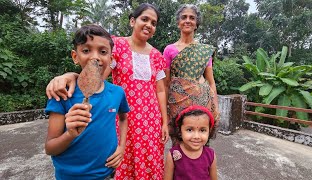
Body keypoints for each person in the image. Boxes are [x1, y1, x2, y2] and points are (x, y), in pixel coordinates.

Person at [45, 3, 169, 179]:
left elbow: (160, 90)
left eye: (154, 22)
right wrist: (71, 76)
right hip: (119, 113)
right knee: (121, 159)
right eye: (145, 19)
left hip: (150, 119)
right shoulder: (117, 45)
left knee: (149, 159)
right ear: (133, 21)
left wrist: (164, 121)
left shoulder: (157, 55)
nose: (149, 25)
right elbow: (96, 72)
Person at [44, 24, 130, 179]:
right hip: (71, 176)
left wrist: (122, 147)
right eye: (86, 50)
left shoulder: (117, 93)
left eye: (102, 52)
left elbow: (123, 118)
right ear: (75, 56)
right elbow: (50, 148)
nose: (95, 56)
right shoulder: (63, 93)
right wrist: (70, 134)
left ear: (110, 59)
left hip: (106, 173)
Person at [163, 4, 220, 134]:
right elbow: (166, 84)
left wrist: (215, 107)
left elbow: (211, 82)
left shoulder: (204, 51)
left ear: (196, 24)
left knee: (199, 141)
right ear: (178, 23)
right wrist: (165, 112)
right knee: (178, 141)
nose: (187, 20)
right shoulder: (169, 50)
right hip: (177, 104)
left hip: (202, 103)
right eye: (184, 17)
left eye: (192, 18)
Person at [164, 105, 218, 180]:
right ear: (180, 131)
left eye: (202, 130)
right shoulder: (173, 155)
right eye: (189, 130)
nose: (196, 136)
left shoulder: (211, 155)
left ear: (209, 131)